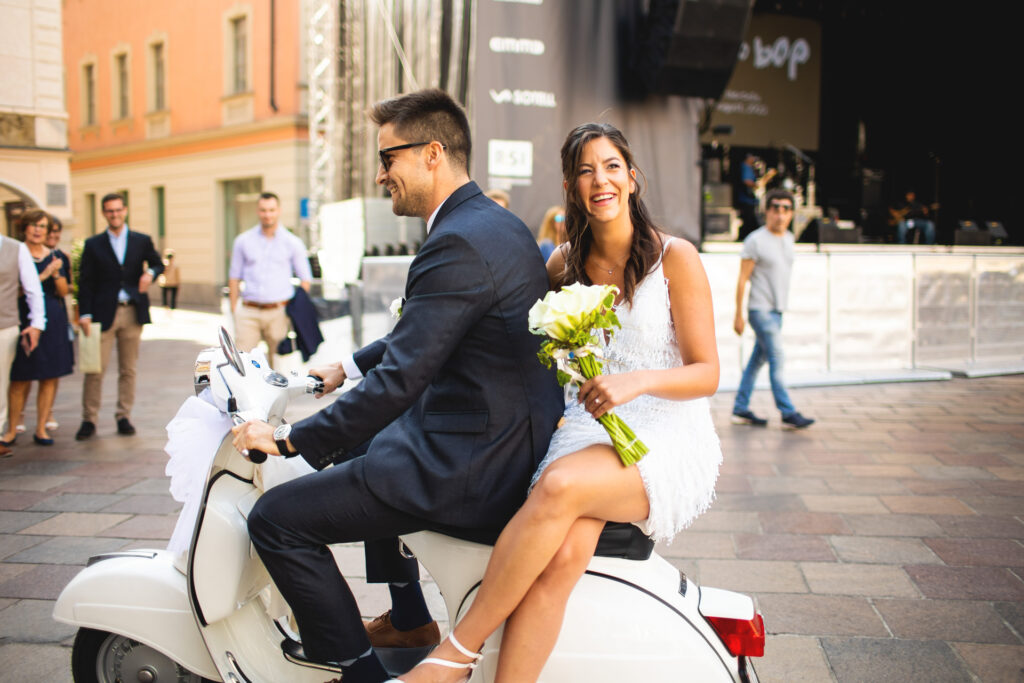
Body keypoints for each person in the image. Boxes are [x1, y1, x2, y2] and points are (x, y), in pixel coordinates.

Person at [230, 89, 563, 683]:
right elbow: (435, 328)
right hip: (499, 435)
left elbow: (400, 380)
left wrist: (286, 439)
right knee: (367, 447)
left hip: (473, 462)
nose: (382, 175)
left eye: (389, 159)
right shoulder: (494, 223)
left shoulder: (456, 241)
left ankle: (360, 673)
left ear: (432, 153)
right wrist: (344, 368)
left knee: (277, 519)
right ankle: (411, 619)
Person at [400, 122, 723, 683]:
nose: (601, 180)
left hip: (662, 431)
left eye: (611, 166)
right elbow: (519, 341)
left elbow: (707, 373)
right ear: (572, 188)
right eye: (585, 171)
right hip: (585, 427)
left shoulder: (677, 258)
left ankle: (453, 655)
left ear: (632, 177)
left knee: (559, 487)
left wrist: (635, 382)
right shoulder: (561, 265)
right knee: (562, 560)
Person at [75, 193, 164, 441]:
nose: (114, 214)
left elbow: (158, 264)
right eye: (109, 211)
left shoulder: (141, 240)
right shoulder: (93, 244)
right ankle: (89, 419)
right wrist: (84, 313)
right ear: (104, 213)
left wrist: (151, 274)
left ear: (125, 210)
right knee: (95, 369)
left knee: (129, 369)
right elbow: (86, 282)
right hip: (103, 313)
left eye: (118, 210)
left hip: (132, 310)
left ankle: (123, 416)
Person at [731, 188, 815, 429]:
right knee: (777, 357)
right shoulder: (755, 240)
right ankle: (788, 412)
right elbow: (742, 279)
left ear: (791, 214)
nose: (780, 214)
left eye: (786, 209)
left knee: (757, 360)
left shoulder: (788, 238)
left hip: (778, 311)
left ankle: (740, 408)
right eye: (775, 208)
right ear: (767, 211)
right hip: (760, 310)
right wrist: (738, 315)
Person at [2, 211, 73, 447]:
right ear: (24, 227)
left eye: (42, 226)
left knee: (49, 374)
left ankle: (42, 428)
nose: (38, 229)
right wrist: (43, 274)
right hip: (21, 316)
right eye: (33, 225)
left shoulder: (57, 255)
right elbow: (18, 290)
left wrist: (57, 273)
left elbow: (63, 291)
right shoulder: (15, 251)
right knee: (19, 376)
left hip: (52, 317)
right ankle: (11, 428)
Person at [227, 192, 312, 369]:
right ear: (258, 212)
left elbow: (305, 279)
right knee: (242, 365)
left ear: (278, 211)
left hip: (278, 313)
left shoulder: (292, 242)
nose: (268, 214)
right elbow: (234, 277)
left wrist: (294, 310)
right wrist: (235, 309)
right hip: (248, 312)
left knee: (279, 368)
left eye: (271, 210)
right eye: (263, 210)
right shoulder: (243, 241)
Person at [0, 217, 46, 458]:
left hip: (4, 326)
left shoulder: (14, 248)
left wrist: (37, 324)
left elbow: (32, 289)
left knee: (0, 384)